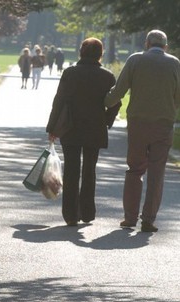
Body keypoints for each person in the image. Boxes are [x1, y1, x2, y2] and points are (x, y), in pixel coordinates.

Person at [104, 30, 180, 232]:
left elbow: (119, 90)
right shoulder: (174, 63)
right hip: (163, 124)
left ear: (147, 43)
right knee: (157, 172)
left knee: (135, 169)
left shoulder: (135, 60)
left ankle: (130, 218)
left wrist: (105, 102)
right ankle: (148, 219)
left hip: (138, 122)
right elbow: (179, 95)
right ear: (165, 46)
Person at [46, 37, 121, 226]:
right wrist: (106, 121)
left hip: (70, 127)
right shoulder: (107, 76)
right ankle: (87, 211)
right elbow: (115, 102)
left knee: (71, 170)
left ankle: (70, 214)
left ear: (81, 52)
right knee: (89, 170)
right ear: (100, 54)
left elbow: (59, 100)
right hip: (95, 128)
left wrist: (53, 127)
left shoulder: (70, 73)